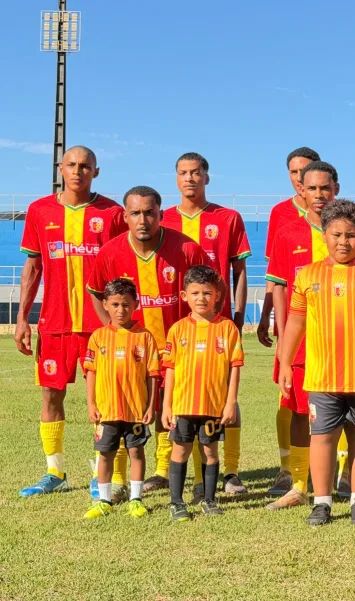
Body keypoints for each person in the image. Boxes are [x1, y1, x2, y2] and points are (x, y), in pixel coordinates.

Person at [278, 200, 355, 526]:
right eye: (336, 234)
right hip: (322, 376)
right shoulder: (308, 275)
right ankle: (322, 503)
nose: (343, 242)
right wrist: (285, 362)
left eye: (351, 235)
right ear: (324, 235)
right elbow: (295, 322)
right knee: (322, 437)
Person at [16, 145, 127, 498]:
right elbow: (33, 267)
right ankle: (55, 472)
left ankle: (106, 475)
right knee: (51, 396)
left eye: (85, 166)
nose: (78, 171)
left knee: (109, 400)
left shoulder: (113, 213)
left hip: (101, 326)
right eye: (71, 165)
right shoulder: (39, 211)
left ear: (96, 171)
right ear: (60, 168)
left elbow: (123, 268)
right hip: (55, 323)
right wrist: (22, 317)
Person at [265, 162, 355, 510]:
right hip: (304, 343)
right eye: (311, 188)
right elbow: (280, 288)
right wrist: (281, 337)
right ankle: (299, 484)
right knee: (301, 411)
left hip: (351, 345)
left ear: (336, 189)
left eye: (325, 188)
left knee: (354, 417)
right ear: (300, 189)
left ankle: (349, 479)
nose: (318, 194)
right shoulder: (287, 233)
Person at [87, 186, 211, 496]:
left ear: (161, 214)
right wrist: (113, 332)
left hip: (179, 353)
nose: (143, 220)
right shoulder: (110, 252)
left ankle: (173, 474)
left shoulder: (187, 249)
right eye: (135, 213)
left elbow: (209, 290)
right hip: (129, 355)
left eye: (149, 213)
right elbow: (96, 292)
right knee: (119, 412)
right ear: (124, 216)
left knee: (185, 413)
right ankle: (116, 481)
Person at [162, 152, 252, 498]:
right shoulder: (163, 218)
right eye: (183, 172)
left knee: (224, 394)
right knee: (177, 393)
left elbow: (239, 271)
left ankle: (231, 470)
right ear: (176, 178)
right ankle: (164, 469)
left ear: (206, 177)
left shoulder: (227, 218)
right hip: (176, 322)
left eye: (196, 172)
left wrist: (239, 315)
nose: (190, 178)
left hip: (219, 322)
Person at [257, 147, 321, 496]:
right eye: (295, 172)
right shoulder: (282, 216)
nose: (300, 178)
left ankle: (341, 471)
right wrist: (272, 320)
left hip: (336, 334)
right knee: (291, 400)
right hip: (296, 331)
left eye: (306, 171)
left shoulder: (343, 223)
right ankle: (290, 472)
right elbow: (277, 277)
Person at [161, 265, 244, 521]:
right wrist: (167, 406)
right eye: (195, 293)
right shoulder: (177, 330)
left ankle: (209, 500)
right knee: (180, 451)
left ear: (217, 295)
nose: (201, 298)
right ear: (184, 295)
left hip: (213, 406)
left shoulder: (227, 329)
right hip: (183, 405)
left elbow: (234, 368)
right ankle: (176, 502)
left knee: (210, 452)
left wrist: (230, 403)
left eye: (207, 293)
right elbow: (170, 369)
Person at [82, 278, 160, 519]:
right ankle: (104, 500)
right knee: (106, 454)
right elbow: (91, 372)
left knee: (136, 452)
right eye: (115, 304)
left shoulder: (145, 337)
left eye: (126, 304)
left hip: (136, 410)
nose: (120, 310)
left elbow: (152, 375)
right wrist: (91, 404)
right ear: (105, 304)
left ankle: (136, 499)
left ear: (135, 304)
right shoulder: (98, 337)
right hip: (107, 410)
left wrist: (151, 406)